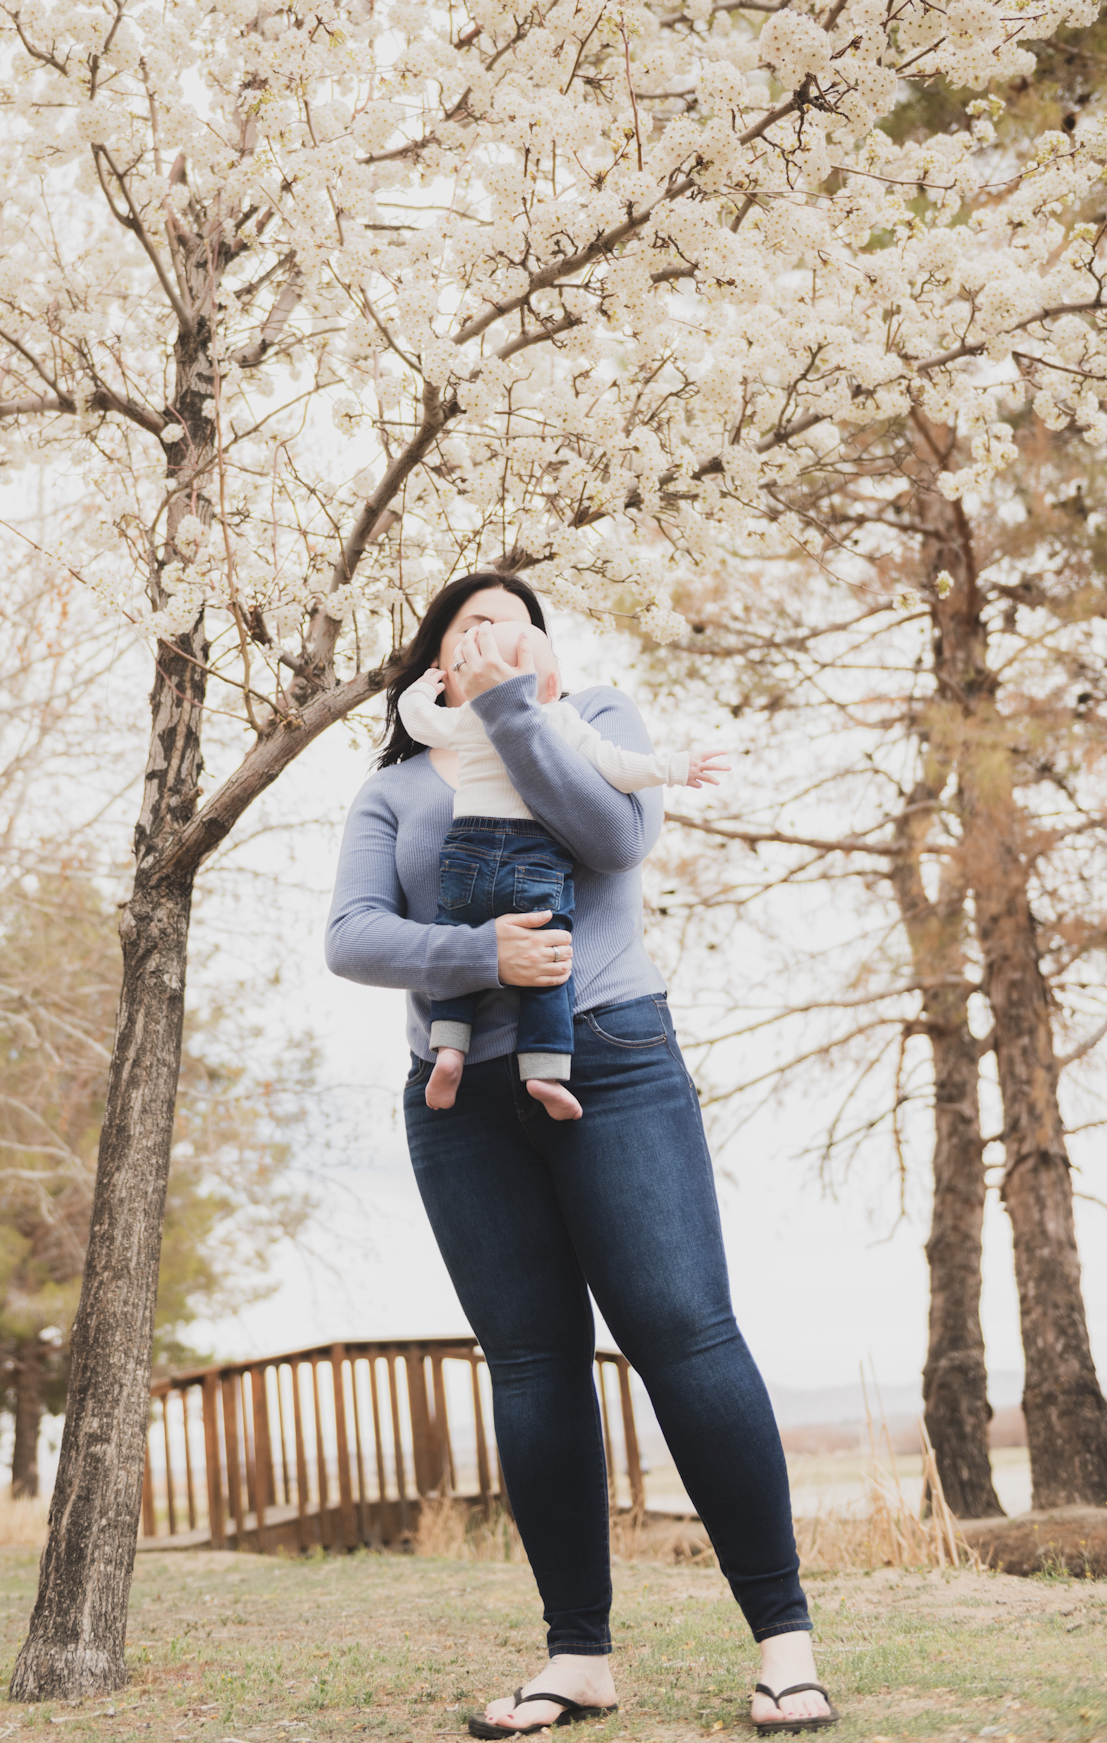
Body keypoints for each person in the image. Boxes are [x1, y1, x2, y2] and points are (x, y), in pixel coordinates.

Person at [324, 570, 838, 1737]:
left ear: (547, 652)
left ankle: (785, 1643)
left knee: (682, 1330)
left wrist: (516, 710)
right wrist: (481, 957)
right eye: (468, 626)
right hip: (458, 1099)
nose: (491, 636)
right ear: (435, 663)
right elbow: (351, 937)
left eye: (515, 624)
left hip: (611, 1056)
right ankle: (579, 1656)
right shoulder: (396, 786)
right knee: (531, 1363)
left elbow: (613, 835)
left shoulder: (592, 716)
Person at [397, 619, 726, 1121]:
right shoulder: (560, 719)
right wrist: (676, 768)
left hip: (466, 854)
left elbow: (419, 721)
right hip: (533, 863)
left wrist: (423, 689)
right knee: (549, 963)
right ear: (552, 685)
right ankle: (544, 1072)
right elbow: (619, 767)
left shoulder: (467, 719)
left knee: (455, 939)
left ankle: (448, 1051)